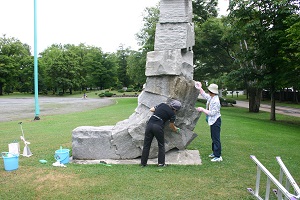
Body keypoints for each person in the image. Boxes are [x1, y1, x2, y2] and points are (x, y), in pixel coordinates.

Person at [141, 100, 182, 167]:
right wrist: (176, 129)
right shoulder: (172, 114)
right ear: (176, 110)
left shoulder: (162, 105)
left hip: (149, 125)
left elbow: (151, 109)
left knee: (146, 145)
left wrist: (159, 111)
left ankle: (143, 164)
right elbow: (171, 126)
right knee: (161, 145)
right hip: (158, 127)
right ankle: (161, 163)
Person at [195, 81, 222, 162]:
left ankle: (218, 156)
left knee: (216, 138)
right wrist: (200, 88)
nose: (208, 92)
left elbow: (212, 113)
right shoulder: (211, 97)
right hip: (212, 121)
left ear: (212, 92)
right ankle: (214, 152)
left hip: (215, 121)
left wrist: (202, 109)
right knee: (213, 137)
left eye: (209, 90)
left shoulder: (216, 101)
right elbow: (205, 95)